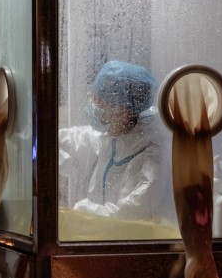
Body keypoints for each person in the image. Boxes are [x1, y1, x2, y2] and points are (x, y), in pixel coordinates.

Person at [58, 60, 172, 223]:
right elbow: (61, 142)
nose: (94, 108)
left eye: (99, 102)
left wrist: (86, 213)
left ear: (121, 109)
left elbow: (130, 215)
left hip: (139, 245)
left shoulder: (152, 155)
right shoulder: (109, 138)